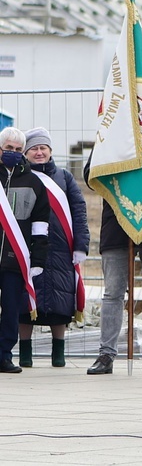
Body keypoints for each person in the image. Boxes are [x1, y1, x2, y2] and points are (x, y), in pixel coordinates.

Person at [84, 83, 142, 377]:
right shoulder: (114, 138)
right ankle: (106, 354)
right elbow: (89, 174)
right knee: (113, 292)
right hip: (118, 223)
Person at [18, 127, 89, 368]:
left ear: (50, 151)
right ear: (26, 153)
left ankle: (59, 353)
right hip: (28, 248)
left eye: (43, 148)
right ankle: (24, 352)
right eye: (34, 148)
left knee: (60, 303)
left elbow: (79, 210)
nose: (39, 153)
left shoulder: (64, 177)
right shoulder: (19, 177)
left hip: (60, 249)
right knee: (26, 302)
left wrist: (81, 245)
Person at [0, 127, 49, 374]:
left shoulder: (33, 183)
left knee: (11, 310)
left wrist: (38, 257)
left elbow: (41, 225)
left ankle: (4, 355)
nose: (14, 153)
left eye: (18, 150)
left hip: (14, 258)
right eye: (9, 149)